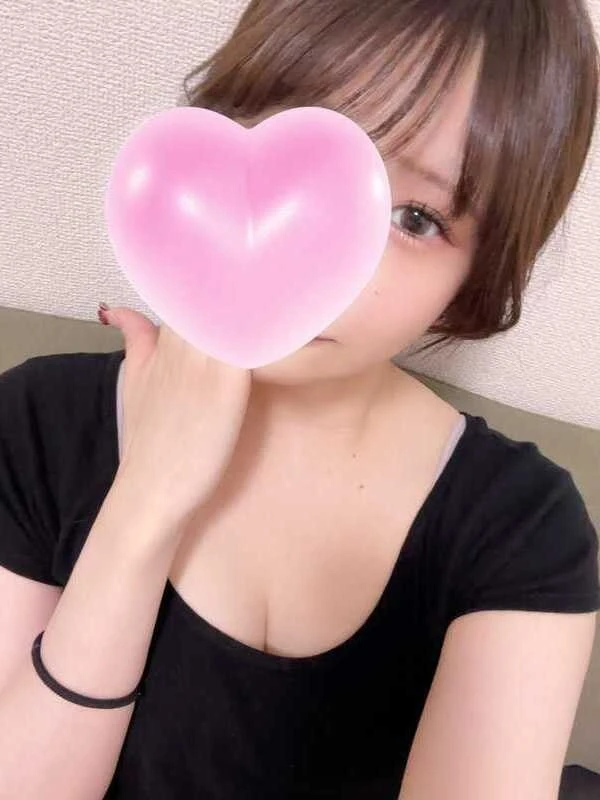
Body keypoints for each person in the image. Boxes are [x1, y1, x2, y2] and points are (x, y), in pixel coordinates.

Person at [0, 1, 599, 798]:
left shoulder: (522, 527)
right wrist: (145, 504)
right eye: (304, 155)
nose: (314, 250)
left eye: (413, 218)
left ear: (474, 281)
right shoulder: (40, 421)